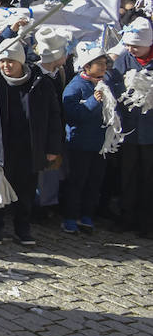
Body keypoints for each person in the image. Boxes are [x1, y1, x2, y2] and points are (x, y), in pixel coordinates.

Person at [0, 38, 62, 247]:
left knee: (26, 190)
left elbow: (54, 117)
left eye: (11, 61)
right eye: (2, 61)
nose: (6, 66)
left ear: (20, 61)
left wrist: (52, 148)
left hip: (31, 146)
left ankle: (22, 228)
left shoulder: (40, 83)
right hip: (2, 147)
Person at [61, 42, 119, 234]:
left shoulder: (106, 82)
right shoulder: (76, 86)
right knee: (77, 182)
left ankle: (87, 215)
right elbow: (73, 115)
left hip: (100, 144)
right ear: (87, 66)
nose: (103, 67)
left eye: (104, 63)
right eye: (99, 64)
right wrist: (94, 101)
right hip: (80, 144)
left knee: (95, 182)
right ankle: (70, 216)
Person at [110, 18, 153, 234]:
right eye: (128, 45)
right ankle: (126, 216)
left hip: (150, 132)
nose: (130, 49)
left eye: (135, 45)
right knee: (127, 174)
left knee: (149, 177)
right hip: (129, 129)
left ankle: (147, 221)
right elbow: (113, 81)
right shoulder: (126, 58)